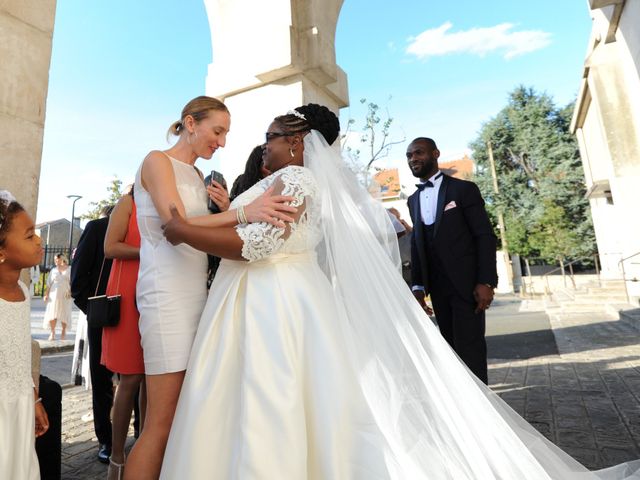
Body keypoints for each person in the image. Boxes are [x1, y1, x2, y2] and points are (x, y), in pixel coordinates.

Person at [160, 105, 640, 479]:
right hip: (261, 297)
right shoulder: (284, 179)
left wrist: (184, 232)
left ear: (294, 143)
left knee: (271, 398)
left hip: (273, 301)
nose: (260, 146)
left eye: (268, 137)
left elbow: (258, 245)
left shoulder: (296, 178)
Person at [123, 95, 298, 480]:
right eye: (217, 131)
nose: (222, 142)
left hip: (198, 298)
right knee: (160, 424)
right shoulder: (157, 161)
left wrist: (227, 209)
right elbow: (176, 226)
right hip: (166, 297)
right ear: (190, 123)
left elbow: (206, 232)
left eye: (225, 134)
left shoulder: (198, 177)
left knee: (187, 416)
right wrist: (243, 212)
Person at [406, 137, 497, 384]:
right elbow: (417, 244)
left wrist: (486, 281)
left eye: (419, 153)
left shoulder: (463, 190)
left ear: (435, 154)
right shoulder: (412, 200)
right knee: (449, 352)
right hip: (437, 289)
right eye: (409, 155)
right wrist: (417, 286)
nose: (413, 158)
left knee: (471, 350)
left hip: (468, 286)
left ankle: (483, 410)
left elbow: (484, 236)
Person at [0, 190, 50, 479]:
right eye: (29, 235)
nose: (39, 241)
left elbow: (19, 357)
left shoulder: (24, 291)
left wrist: (33, 399)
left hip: (19, 408)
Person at [101, 187, 144, 480]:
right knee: (129, 379)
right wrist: (147, 251)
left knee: (152, 380)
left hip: (157, 294)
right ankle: (117, 455)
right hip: (127, 296)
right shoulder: (128, 203)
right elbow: (110, 247)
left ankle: (144, 447)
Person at [70, 205, 115, 464]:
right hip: (103, 314)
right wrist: (92, 308)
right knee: (102, 382)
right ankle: (105, 440)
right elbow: (78, 278)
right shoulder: (97, 228)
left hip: (140, 314)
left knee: (136, 382)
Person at [42, 254, 72, 341]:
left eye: (57, 260)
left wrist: (71, 291)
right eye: (55, 260)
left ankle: (63, 331)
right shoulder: (53, 270)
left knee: (64, 313)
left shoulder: (69, 269)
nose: (55, 262)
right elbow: (49, 284)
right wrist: (46, 295)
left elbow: (73, 282)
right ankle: (52, 332)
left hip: (65, 295)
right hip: (54, 295)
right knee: (52, 314)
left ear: (62, 259)